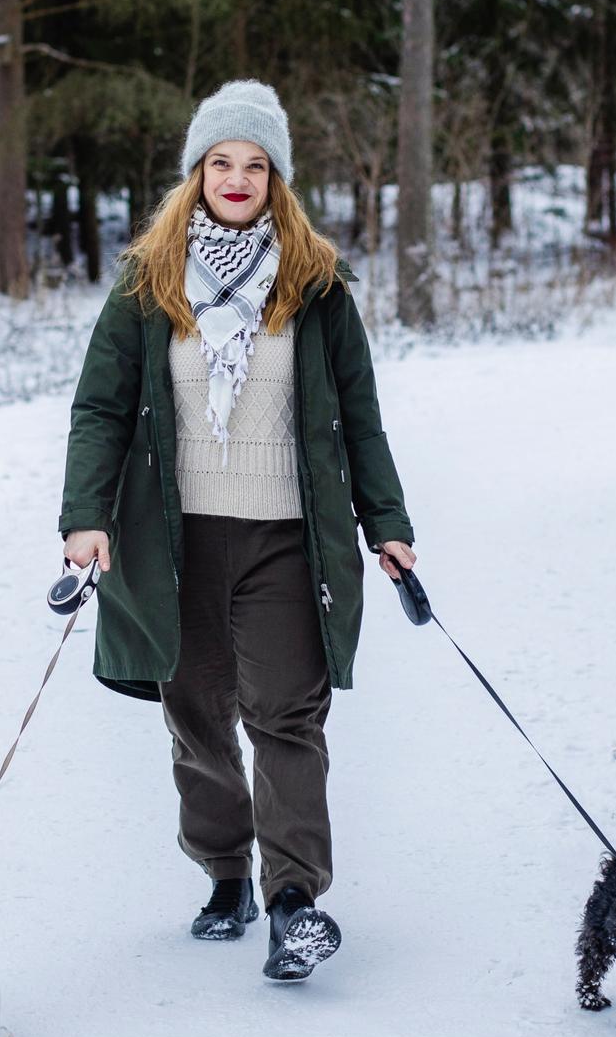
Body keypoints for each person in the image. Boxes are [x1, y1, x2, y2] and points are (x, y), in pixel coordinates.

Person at [59, 79, 417, 983]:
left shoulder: (316, 285)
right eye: (221, 161)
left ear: (276, 180)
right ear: (196, 172)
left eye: (255, 164)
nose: (236, 177)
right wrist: (84, 519)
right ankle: (226, 874)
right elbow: (99, 410)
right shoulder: (146, 283)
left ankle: (293, 900)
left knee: (288, 715)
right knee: (196, 718)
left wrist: (388, 523)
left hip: (287, 541)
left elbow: (360, 420)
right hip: (173, 540)